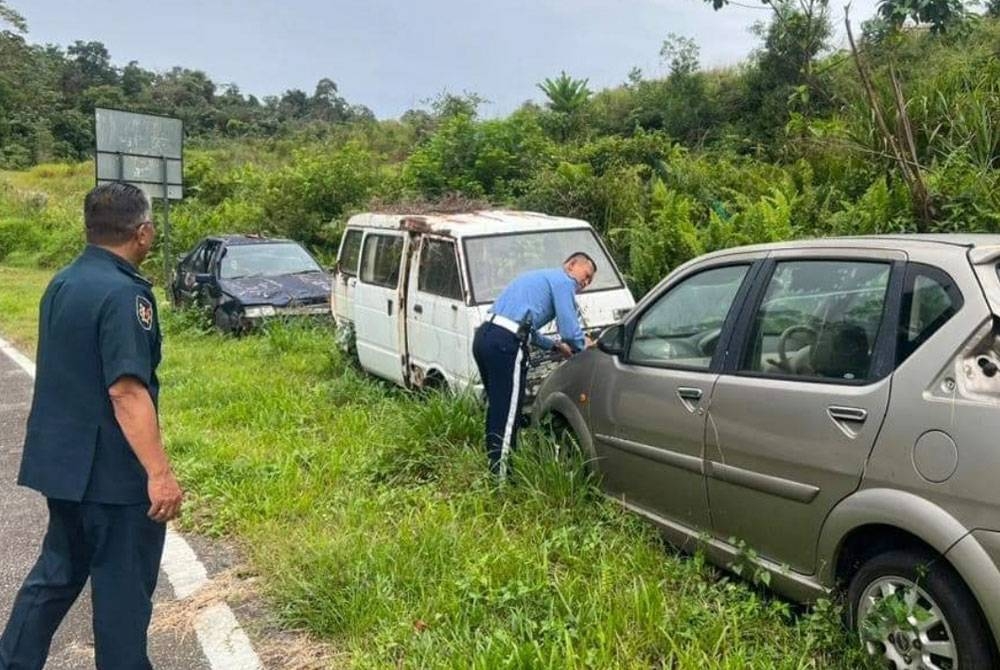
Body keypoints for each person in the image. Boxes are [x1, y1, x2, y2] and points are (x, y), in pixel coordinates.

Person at [0, 182, 183, 670]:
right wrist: (159, 473)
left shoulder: (62, 282)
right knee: (122, 599)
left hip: (64, 470)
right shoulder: (125, 296)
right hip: (112, 478)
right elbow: (126, 390)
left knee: (55, 577)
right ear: (143, 233)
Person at [472, 252, 597, 479]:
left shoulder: (540, 277)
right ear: (571, 265)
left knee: (498, 409)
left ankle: (494, 469)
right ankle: (501, 483)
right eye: (586, 275)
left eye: (589, 281)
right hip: (505, 344)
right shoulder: (564, 281)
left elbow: (526, 327)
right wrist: (585, 345)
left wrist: (554, 346)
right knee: (509, 416)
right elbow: (570, 330)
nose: (585, 284)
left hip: (485, 337)